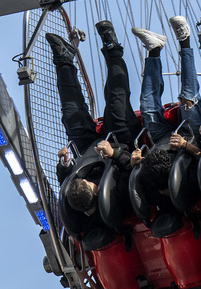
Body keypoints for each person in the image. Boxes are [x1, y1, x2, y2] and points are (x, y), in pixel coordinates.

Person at [48, 24, 138, 214]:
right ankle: (112, 48)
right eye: (90, 183)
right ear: (97, 193)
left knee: (71, 112)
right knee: (116, 100)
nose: (88, 180)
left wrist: (64, 164)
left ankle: (63, 59)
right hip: (120, 143)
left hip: (87, 148)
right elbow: (133, 172)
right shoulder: (116, 198)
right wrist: (113, 154)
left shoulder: (75, 190)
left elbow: (65, 179)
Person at [131, 18, 201, 144]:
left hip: (163, 142)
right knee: (188, 99)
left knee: (147, 107)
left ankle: (154, 50)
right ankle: (184, 40)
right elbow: (200, 155)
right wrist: (185, 146)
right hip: (192, 137)